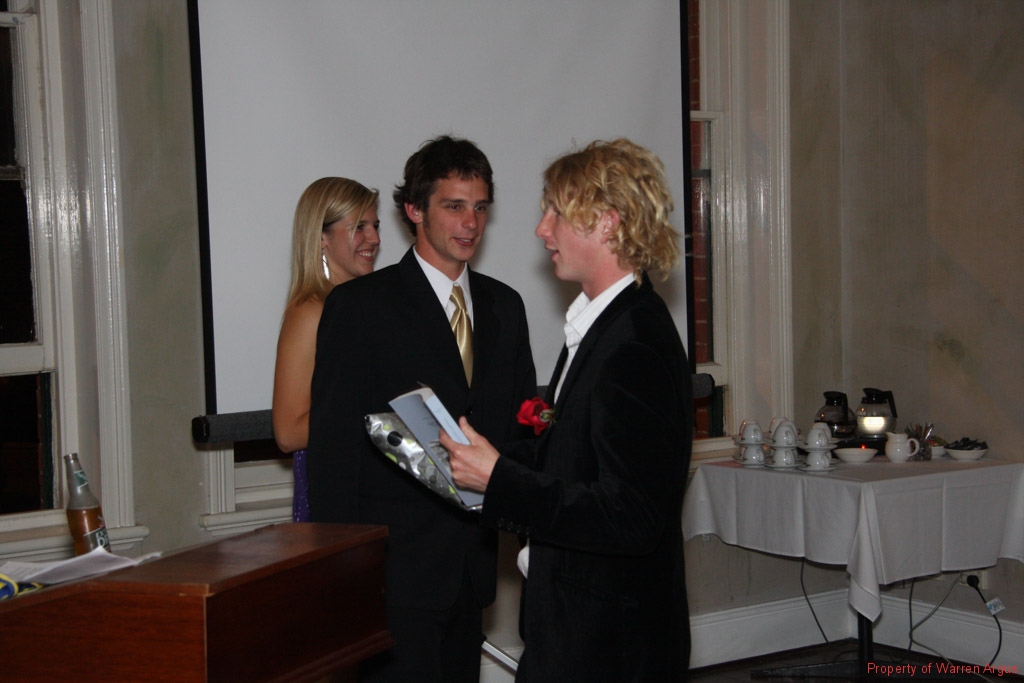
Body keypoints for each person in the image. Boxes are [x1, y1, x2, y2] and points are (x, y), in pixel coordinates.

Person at [442, 138, 693, 681]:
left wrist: (500, 479)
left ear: (606, 222)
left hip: (609, 649)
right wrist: (483, 462)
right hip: (575, 633)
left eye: (556, 212)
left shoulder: (634, 343)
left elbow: (631, 516)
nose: (542, 229)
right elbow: (572, 457)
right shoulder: (604, 327)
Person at [308, 135, 537, 682]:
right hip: (392, 575)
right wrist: (344, 573)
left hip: (474, 569)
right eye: (454, 206)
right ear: (414, 209)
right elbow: (333, 453)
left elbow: (520, 433)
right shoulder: (360, 307)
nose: (470, 223)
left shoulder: (506, 306)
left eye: (480, 207)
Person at [272, 177, 381, 522]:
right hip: (334, 494)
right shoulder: (310, 313)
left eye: (375, 226)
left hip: (372, 487)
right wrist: (377, 410)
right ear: (322, 237)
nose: (374, 238)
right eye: (359, 227)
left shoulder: (367, 307)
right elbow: (288, 433)